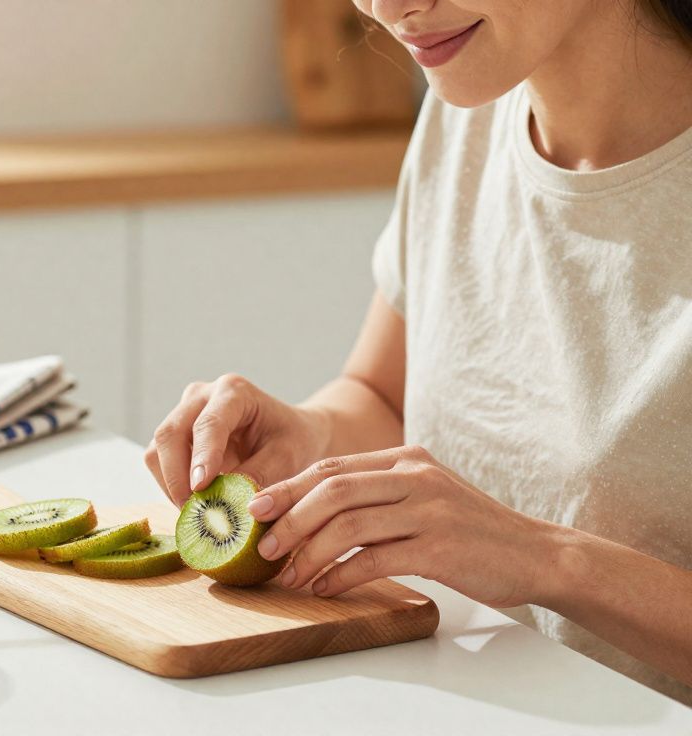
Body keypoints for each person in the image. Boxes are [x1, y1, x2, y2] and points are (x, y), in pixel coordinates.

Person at [145, 0, 692, 703]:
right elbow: (383, 396)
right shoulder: (471, 105)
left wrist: (550, 560)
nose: (393, 8)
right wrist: (310, 435)